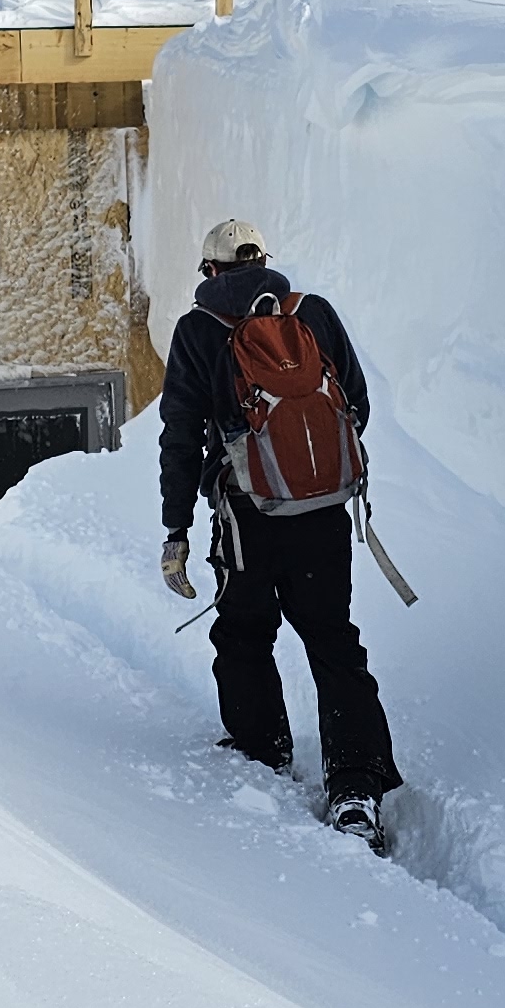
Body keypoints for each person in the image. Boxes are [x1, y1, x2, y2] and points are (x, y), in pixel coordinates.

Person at [159, 217, 403, 847]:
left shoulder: (195, 330)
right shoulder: (312, 313)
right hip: (322, 512)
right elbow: (359, 404)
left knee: (244, 634)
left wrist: (177, 527)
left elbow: (181, 436)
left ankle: (260, 757)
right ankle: (357, 788)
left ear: (211, 272)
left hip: (246, 518)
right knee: (332, 641)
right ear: (264, 261)